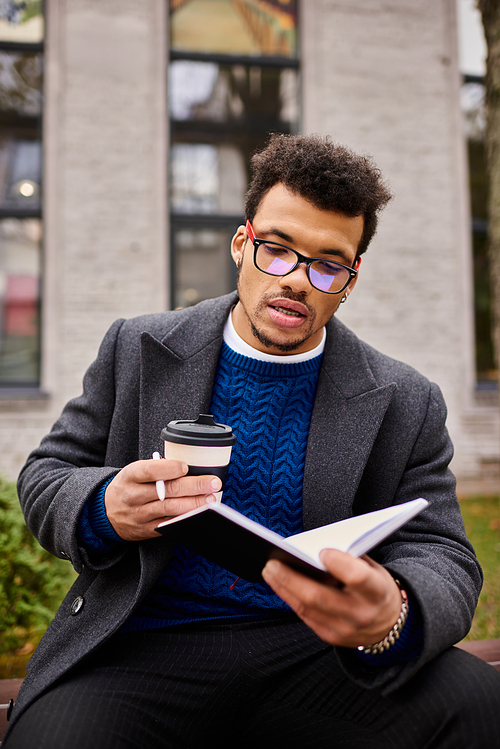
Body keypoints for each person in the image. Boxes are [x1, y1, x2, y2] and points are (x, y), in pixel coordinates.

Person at [4, 134, 500, 748]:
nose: (296, 279)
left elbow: (444, 552)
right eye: (277, 250)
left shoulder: (404, 398)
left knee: (479, 706)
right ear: (242, 244)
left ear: (350, 277)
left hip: (316, 652)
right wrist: (104, 505)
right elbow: (48, 473)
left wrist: (392, 613)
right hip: (142, 646)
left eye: (327, 263)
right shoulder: (137, 347)